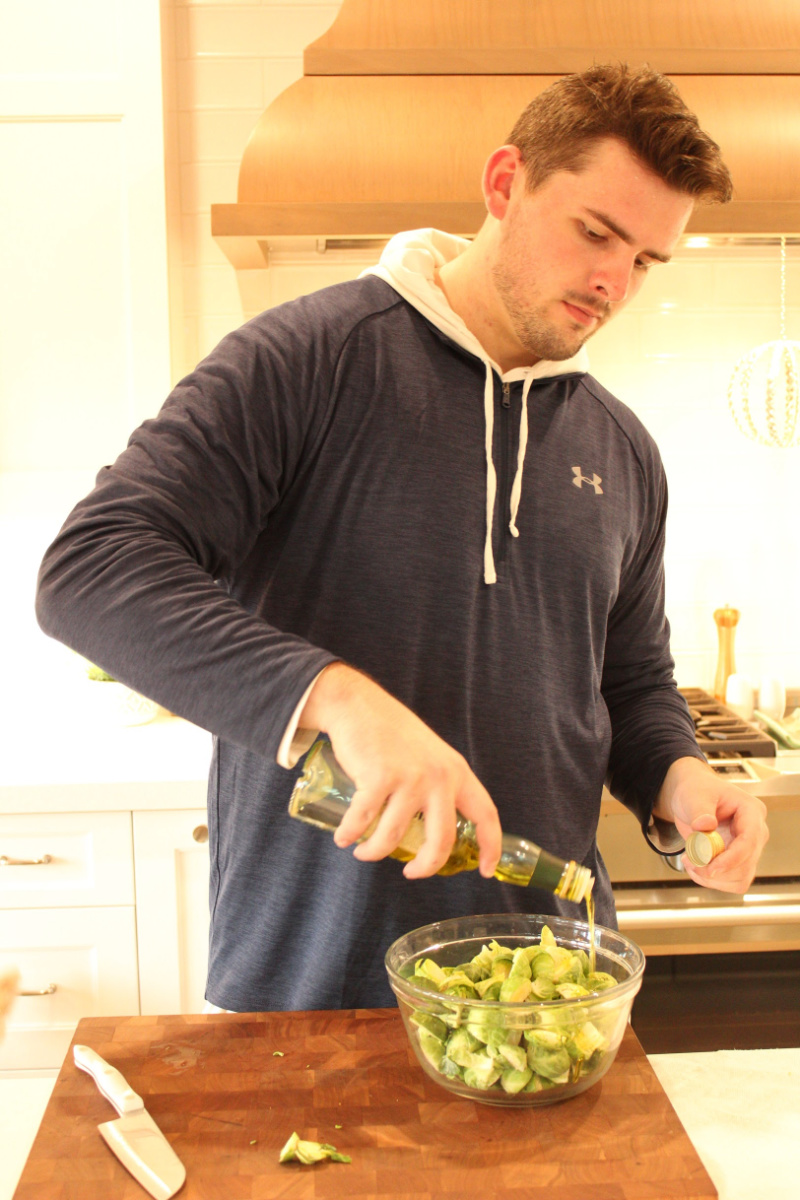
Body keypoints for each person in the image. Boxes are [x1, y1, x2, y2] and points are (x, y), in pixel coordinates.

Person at [36, 63, 769, 1012]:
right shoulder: (304, 361)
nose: (612, 282)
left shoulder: (622, 449)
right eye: (596, 232)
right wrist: (333, 697)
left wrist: (677, 777)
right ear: (506, 184)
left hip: (548, 994)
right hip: (310, 982)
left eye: (645, 261)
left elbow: (628, 684)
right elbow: (90, 569)